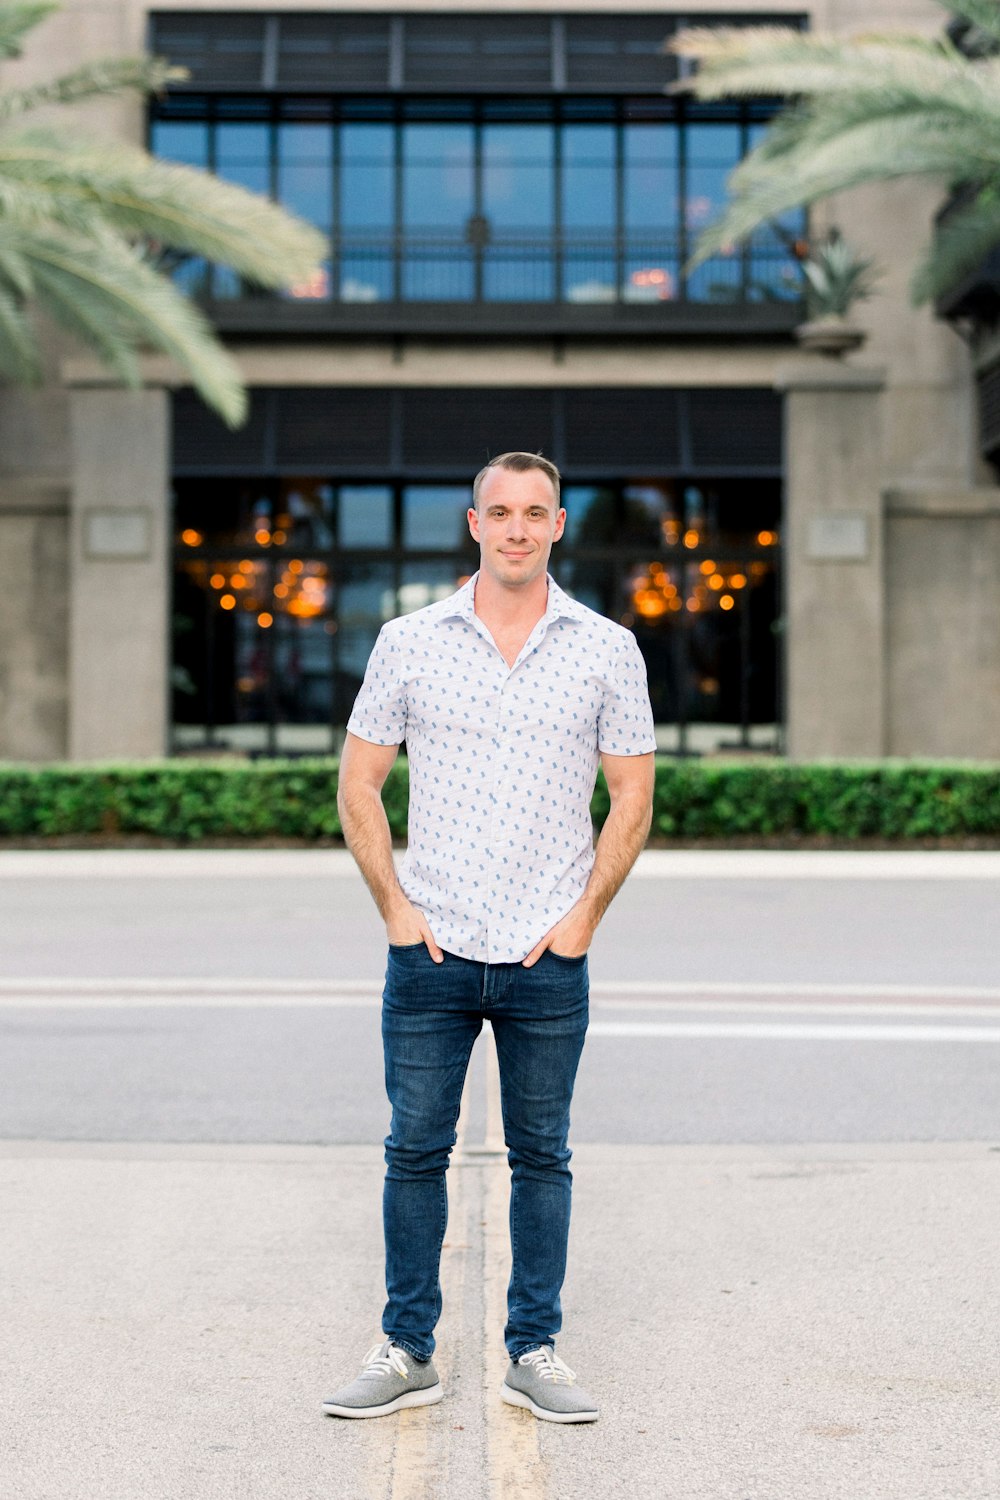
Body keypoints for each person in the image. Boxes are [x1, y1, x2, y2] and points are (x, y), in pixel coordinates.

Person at [323, 451, 655, 1424]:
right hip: (429, 948)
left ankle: (535, 1350)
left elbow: (633, 796)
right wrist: (394, 909)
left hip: (547, 955)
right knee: (413, 1153)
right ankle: (405, 1348)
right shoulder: (407, 640)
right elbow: (358, 784)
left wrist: (583, 919)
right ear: (473, 523)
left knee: (541, 1156)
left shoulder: (606, 648)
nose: (516, 528)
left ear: (558, 527)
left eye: (535, 513)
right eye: (499, 512)